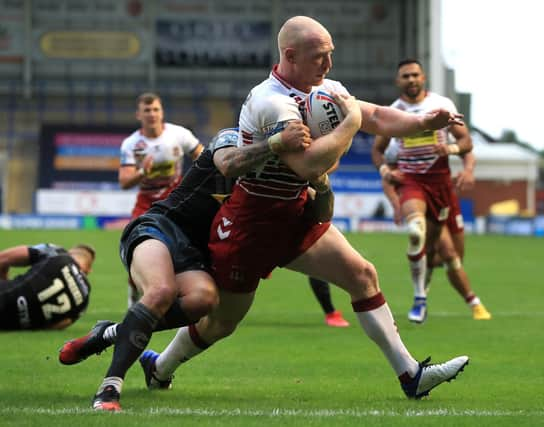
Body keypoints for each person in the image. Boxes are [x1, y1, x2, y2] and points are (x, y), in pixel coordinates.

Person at [139, 16, 469, 404]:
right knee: (222, 323)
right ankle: (159, 366)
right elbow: (309, 165)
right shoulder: (271, 100)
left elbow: (376, 116)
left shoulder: (323, 88)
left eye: (331, 55)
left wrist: (423, 121)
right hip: (251, 223)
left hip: (295, 212)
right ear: (290, 56)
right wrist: (351, 125)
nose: (328, 65)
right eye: (320, 57)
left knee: (362, 274)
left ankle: (411, 375)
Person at [58, 124, 314, 411]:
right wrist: (275, 144)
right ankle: (109, 388)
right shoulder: (231, 140)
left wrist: (322, 186)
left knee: (203, 300)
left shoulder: (283, 178)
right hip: (161, 226)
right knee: (161, 291)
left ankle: (108, 334)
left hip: (194, 253)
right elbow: (228, 164)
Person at [372, 58, 491, 323]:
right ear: (398, 81)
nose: (411, 80)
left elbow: (466, 142)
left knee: (449, 256)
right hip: (412, 182)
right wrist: (388, 178)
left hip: (441, 185)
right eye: (405, 76)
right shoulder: (393, 112)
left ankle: (436, 287)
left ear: (423, 78)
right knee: (418, 233)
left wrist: (451, 151)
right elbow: (378, 152)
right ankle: (422, 298)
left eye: (415, 75)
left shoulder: (441, 106)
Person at [119, 92, 204, 307]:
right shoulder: (132, 144)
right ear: (139, 114)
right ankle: (134, 293)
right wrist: (141, 172)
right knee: (137, 251)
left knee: (189, 247)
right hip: (146, 204)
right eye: (147, 110)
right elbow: (124, 181)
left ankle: (188, 294)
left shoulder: (179, 134)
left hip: (176, 201)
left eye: (155, 109)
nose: (152, 114)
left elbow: (204, 159)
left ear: (162, 112)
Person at [0, 243, 95, 330]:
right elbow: (55, 327)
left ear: (70, 252)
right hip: (7, 325)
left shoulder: (57, 253)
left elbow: (3, 258)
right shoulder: (83, 302)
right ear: (88, 270)